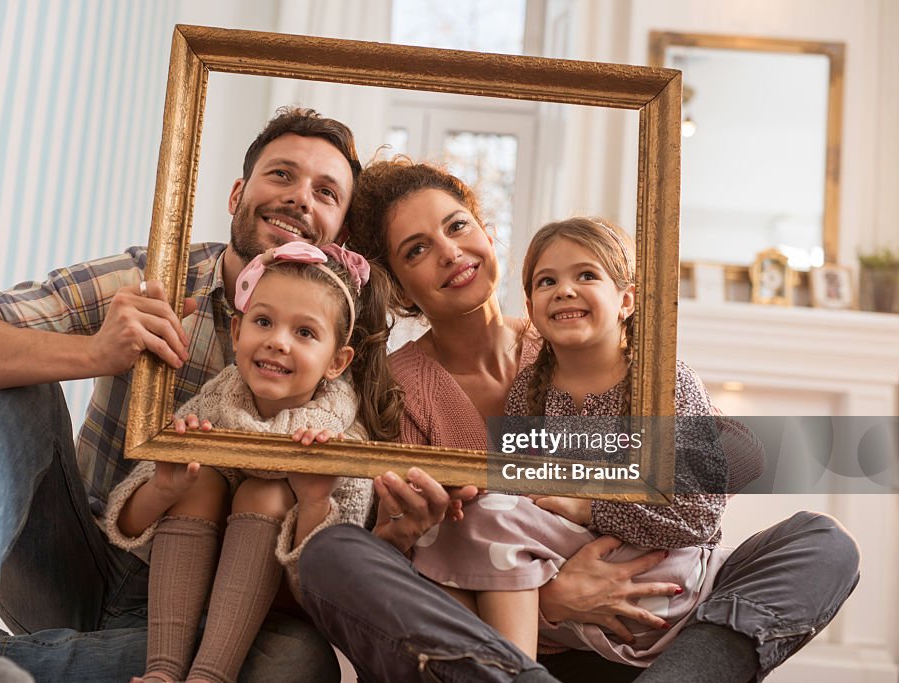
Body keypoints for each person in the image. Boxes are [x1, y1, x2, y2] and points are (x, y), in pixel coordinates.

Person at [298, 158, 860, 683]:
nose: (449, 252)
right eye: (417, 249)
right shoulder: (396, 386)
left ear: (487, 233)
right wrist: (552, 597)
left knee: (822, 543)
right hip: (506, 640)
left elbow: (735, 459)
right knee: (334, 556)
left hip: (658, 618)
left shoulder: (576, 335)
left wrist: (593, 493)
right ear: (397, 284)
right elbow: (422, 560)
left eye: (458, 225)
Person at [0, 107, 363, 683]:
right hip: (77, 559)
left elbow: (353, 535)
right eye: (282, 174)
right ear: (237, 194)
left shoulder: (357, 358)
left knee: (298, 662)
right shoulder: (153, 278)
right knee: (17, 384)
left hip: (200, 617)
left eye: (326, 192)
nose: (301, 198)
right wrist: (94, 354)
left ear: (339, 236)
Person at [411, 217, 730, 665]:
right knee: (466, 522)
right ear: (531, 305)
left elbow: (700, 512)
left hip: (662, 581)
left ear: (626, 300)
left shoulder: (667, 382)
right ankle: (512, 670)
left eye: (586, 275)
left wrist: (588, 505)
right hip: (568, 577)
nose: (564, 289)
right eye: (547, 281)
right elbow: (524, 496)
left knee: (491, 519)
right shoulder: (527, 392)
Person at [102, 242, 390, 683]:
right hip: (173, 591)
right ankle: (161, 671)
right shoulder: (215, 403)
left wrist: (314, 503)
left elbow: (327, 584)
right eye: (263, 322)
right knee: (197, 479)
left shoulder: (341, 442)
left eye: (305, 333)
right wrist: (164, 489)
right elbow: (126, 524)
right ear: (237, 333)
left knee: (267, 489)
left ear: (337, 361)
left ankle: (209, 677)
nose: (277, 341)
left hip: (270, 611)